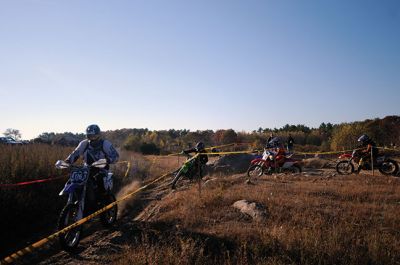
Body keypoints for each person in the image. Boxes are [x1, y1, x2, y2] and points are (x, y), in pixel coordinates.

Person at [65, 124, 119, 199]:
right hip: (86, 169)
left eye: (94, 136)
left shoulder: (105, 144)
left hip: (102, 169)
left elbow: (115, 156)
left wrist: (107, 160)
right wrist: (68, 161)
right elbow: (76, 153)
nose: (92, 138)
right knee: (72, 180)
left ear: (98, 135)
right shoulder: (84, 143)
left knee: (100, 180)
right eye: (89, 136)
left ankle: (103, 200)